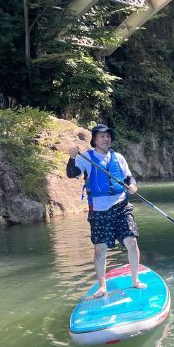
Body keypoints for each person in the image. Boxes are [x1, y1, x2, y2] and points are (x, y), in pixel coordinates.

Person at [66, 124, 146, 298]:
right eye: (102, 136)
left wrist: (132, 184)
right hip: (100, 210)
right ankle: (102, 287)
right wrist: (72, 158)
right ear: (95, 140)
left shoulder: (118, 157)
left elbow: (128, 176)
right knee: (100, 249)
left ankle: (135, 280)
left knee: (131, 242)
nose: (106, 138)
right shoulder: (86, 157)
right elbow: (72, 173)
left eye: (108, 136)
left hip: (121, 206)